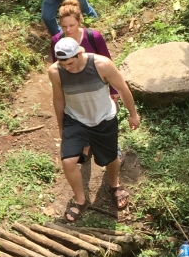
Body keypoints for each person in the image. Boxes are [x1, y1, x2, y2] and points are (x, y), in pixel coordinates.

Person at [47, 37, 140, 222]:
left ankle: (114, 184)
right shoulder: (56, 72)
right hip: (76, 120)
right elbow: (58, 99)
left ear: (80, 53)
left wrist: (133, 114)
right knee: (68, 162)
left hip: (103, 119)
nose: (68, 68)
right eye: (63, 64)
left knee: (110, 158)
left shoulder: (102, 65)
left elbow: (122, 88)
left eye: (71, 63)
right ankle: (81, 200)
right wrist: (61, 126)